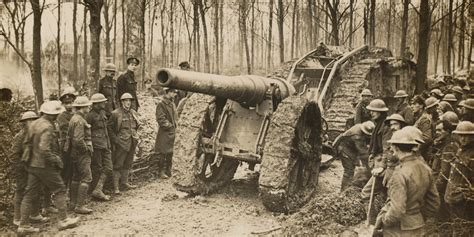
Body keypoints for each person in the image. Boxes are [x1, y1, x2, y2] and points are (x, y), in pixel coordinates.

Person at [18, 101, 79, 234]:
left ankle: (23, 225)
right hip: (44, 165)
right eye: (56, 113)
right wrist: (56, 159)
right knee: (60, 189)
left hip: (32, 164)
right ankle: (63, 220)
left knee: (29, 194)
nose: (57, 115)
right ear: (52, 115)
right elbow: (44, 149)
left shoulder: (34, 123)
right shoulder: (47, 126)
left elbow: (26, 143)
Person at [373, 129, 440, 236]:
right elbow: (434, 203)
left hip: (398, 230)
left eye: (392, 146)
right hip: (418, 226)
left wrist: (384, 220)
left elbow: (397, 211)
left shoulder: (399, 173)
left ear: (396, 147)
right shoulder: (425, 168)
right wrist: (417, 217)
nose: (391, 149)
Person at [11, 111, 49, 226]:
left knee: (36, 190)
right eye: (30, 120)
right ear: (24, 123)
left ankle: (34, 214)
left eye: (34, 120)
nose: (32, 122)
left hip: (34, 168)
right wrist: (21, 168)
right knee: (21, 191)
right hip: (22, 169)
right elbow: (14, 156)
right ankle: (17, 218)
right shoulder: (20, 136)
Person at [108, 93, 139, 195]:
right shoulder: (116, 114)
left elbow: (136, 126)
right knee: (118, 164)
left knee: (128, 163)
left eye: (129, 101)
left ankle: (124, 183)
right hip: (121, 143)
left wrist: (134, 136)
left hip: (132, 142)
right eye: (126, 101)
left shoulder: (133, 113)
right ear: (122, 102)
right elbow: (109, 128)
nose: (128, 103)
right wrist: (116, 140)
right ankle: (116, 188)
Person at [68, 96, 94, 214]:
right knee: (87, 178)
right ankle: (79, 206)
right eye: (87, 106)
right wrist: (86, 150)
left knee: (76, 177)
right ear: (82, 107)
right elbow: (78, 140)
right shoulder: (79, 120)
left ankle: (73, 203)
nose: (89, 107)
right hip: (81, 154)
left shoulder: (74, 118)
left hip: (74, 153)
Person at [431, 111, 459, 221]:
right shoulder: (443, 144)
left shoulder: (449, 147)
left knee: (443, 218)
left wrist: (435, 190)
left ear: (447, 131)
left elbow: (444, 172)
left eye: (439, 130)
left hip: (442, 188)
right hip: (441, 186)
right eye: (436, 130)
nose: (437, 132)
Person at [361, 99, 390, 201]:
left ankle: (371, 217)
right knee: (384, 193)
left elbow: (387, 148)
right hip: (377, 159)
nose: (371, 113)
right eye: (371, 111)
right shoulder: (378, 124)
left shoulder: (386, 126)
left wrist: (382, 166)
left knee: (366, 193)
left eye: (374, 111)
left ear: (381, 112)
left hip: (383, 162)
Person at [444, 121, 474, 221]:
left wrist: (463, 196)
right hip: (453, 198)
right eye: (460, 135)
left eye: (466, 136)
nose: (463, 139)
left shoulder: (472, 155)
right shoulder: (460, 150)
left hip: (464, 201)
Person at [333, 121, 374, 191]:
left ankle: (349, 187)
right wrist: (369, 167)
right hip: (344, 147)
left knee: (353, 166)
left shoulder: (360, 126)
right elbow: (363, 153)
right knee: (349, 170)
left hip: (351, 147)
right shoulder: (357, 136)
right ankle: (344, 191)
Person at [86, 93, 113, 201]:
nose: (104, 103)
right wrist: (90, 145)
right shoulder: (90, 115)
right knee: (96, 168)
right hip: (96, 145)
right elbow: (87, 132)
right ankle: (95, 191)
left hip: (105, 144)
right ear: (96, 104)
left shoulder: (103, 113)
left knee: (108, 167)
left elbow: (105, 130)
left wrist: (109, 144)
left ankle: (98, 189)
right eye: (102, 102)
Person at [153, 88, 178, 179]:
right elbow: (160, 119)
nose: (174, 94)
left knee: (170, 153)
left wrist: (175, 127)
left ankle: (169, 170)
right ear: (168, 92)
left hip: (172, 132)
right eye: (173, 92)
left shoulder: (172, 104)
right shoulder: (161, 104)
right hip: (165, 132)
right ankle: (161, 172)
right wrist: (170, 126)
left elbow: (176, 117)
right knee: (162, 153)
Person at [57, 86, 77, 186]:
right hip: (66, 145)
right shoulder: (61, 116)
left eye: (71, 102)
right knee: (66, 168)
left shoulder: (75, 114)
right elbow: (66, 130)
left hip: (76, 143)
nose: (69, 105)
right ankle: (63, 189)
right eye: (66, 103)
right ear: (63, 104)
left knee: (75, 168)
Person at [415, 97, 439, 164]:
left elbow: (427, 138)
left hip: (424, 151)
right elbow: (427, 138)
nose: (437, 108)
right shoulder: (424, 118)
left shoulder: (425, 118)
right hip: (424, 151)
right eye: (435, 106)